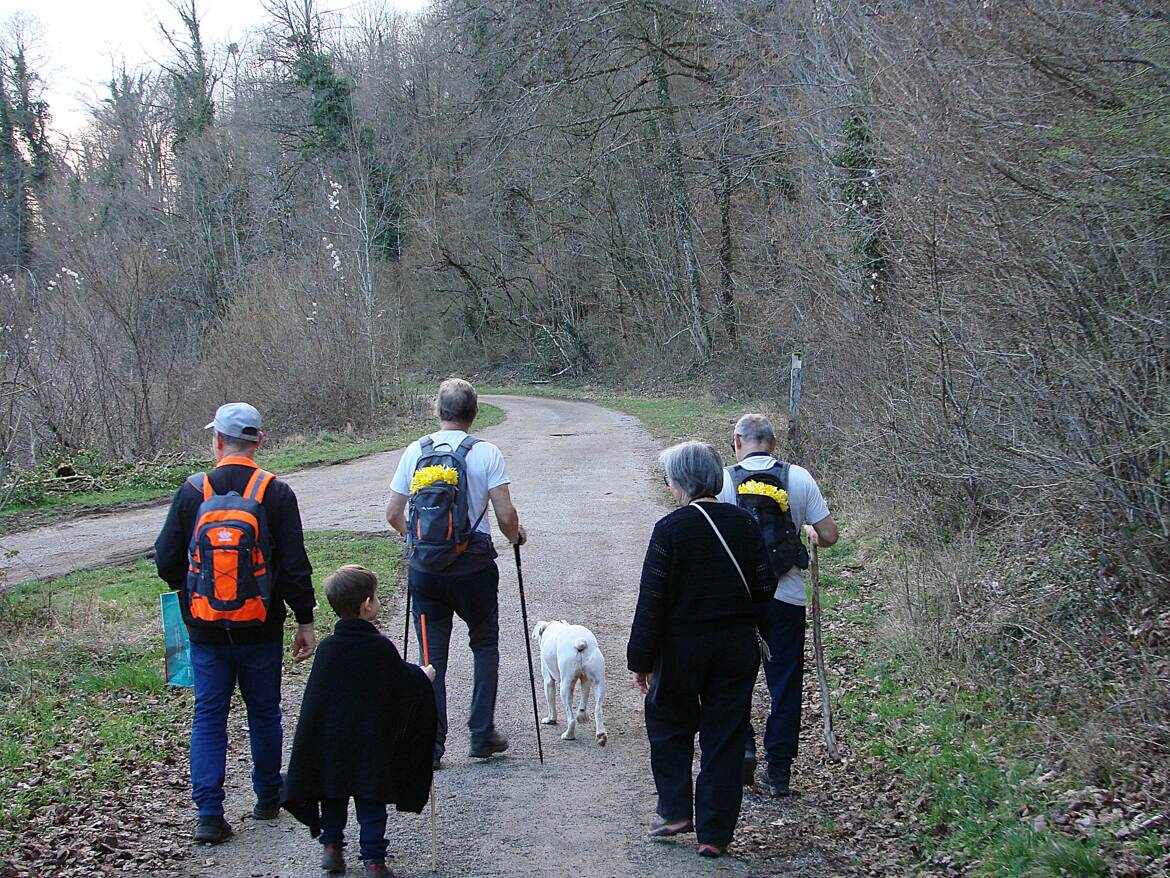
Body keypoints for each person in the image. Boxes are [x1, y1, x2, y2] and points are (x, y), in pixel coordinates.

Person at [154, 402, 317, 844]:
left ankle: (209, 814)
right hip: (261, 626)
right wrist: (304, 620)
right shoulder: (275, 492)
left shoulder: (193, 490)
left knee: (209, 715)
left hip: (205, 627)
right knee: (264, 710)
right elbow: (295, 565)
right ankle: (267, 797)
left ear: (218, 442)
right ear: (258, 441)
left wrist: (197, 590)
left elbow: (166, 560)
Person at [627, 441, 778, 859]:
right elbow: (765, 585)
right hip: (735, 647)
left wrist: (641, 659)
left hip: (681, 648)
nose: (668, 485)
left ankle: (675, 810)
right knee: (725, 735)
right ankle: (714, 833)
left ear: (683, 481)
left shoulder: (671, 529)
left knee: (668, 723)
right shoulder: (744, 524)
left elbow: (652, 600)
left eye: (670, 478)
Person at [385, 378, 527, 768]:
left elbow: (393, 514)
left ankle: (432, 746)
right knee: (485, 645)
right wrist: (515, 536)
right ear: (474, 412)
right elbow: (505, 516)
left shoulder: (415, 451)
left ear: (438, 411)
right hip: (474, 569)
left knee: (432, 658)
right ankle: (481, 734)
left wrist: (418, 542)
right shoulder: (487, 453)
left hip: (426, 571)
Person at [282, 565, 438, 878]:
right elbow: (401, 682)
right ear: (367, 604)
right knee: (371, 799)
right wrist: (424, 676)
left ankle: (332, 847)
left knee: (333, 794)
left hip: (332, 744)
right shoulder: (379, 646)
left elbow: (316, 704)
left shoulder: (328, 649)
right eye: (376, 597)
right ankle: (373, 860)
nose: (377, 602)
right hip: (370, 744)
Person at [716, 413, 838, 797]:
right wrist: (809, 532)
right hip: (786, 597)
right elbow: (830, 535)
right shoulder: (799, 478)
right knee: (784, 683)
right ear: (774, 443)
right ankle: (779, 772)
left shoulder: (722, 481)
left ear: (737, 441)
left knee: (734, 677)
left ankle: (744, 747)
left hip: (738, 598)